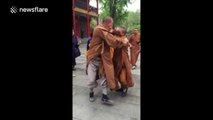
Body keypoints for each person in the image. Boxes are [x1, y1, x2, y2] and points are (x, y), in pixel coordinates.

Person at [86, 16, 129, 105]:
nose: (111, 27)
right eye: (111, 25)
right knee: (91, 80)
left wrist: (122, 39)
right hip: (93, 59)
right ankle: (91, 92)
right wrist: (122, 40)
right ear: (109, 24)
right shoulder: (99, 29)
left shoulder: (107, 31)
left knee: (104, 78)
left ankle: (104, 97)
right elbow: (112, 41)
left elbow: (113, 37)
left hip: (103, 60)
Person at [113, 27, 134, 97]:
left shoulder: (124, 39)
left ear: (122, 33)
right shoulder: (114, 37)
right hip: (115, 62)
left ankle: (125, 88)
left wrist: (126, 43)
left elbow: (125, 43)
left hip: (123, 63)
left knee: (122, 79)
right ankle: (122, 87)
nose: (116, 29)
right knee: (117, 77)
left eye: (118, 29)